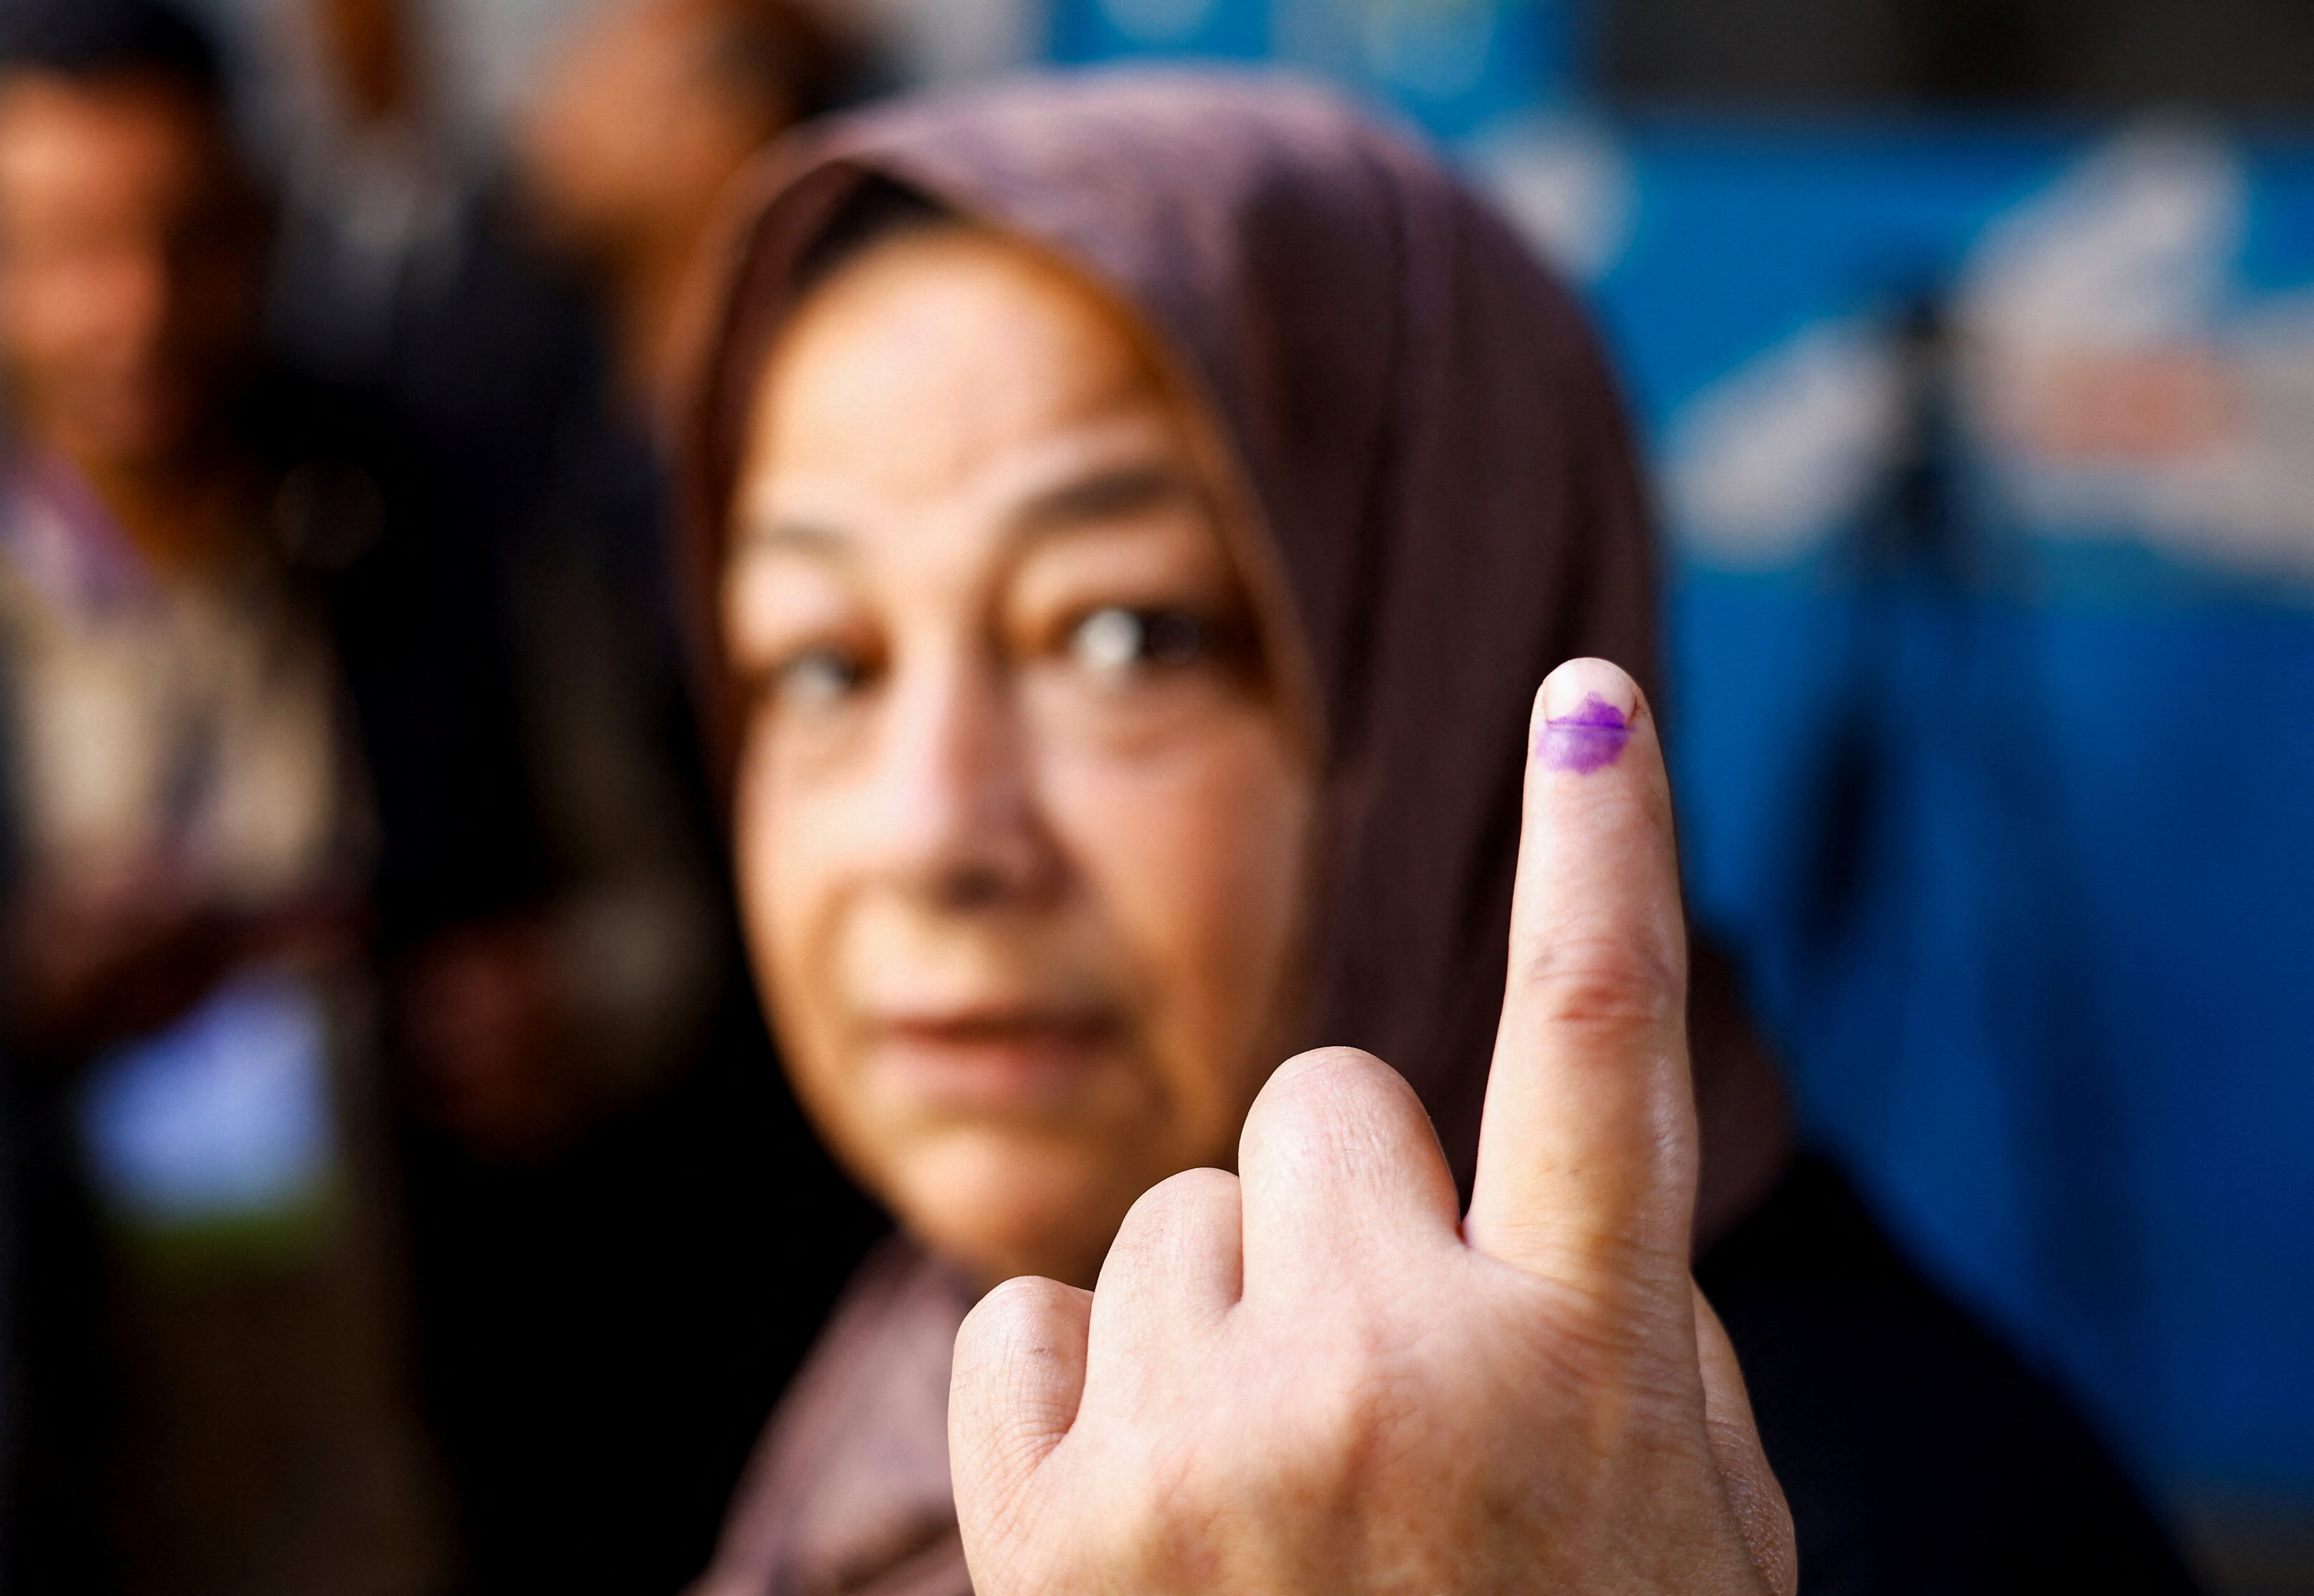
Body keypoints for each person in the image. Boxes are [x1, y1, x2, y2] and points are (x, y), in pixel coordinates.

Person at [678, 72, 2202, 1595]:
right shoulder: (899, 1371)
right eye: (821, 663)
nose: (933, 832)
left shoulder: (1840, 1527)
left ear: (1457, 660)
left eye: (1128, 636)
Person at [0, 1, 470, 1588]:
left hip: (399, 1397)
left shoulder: (396, 511)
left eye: (182, 242)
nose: (130, 311)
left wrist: (548, 1006)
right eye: (62, 249)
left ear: (260, 227)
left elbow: (638, 907)